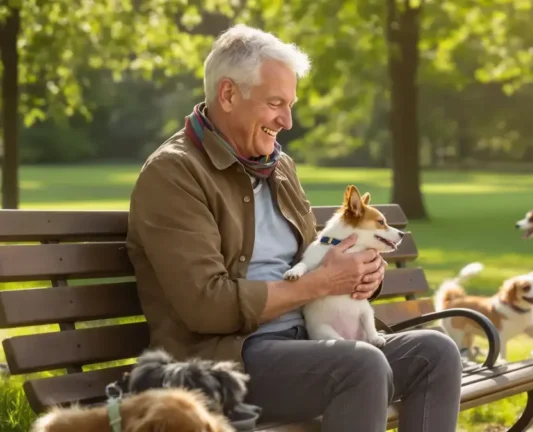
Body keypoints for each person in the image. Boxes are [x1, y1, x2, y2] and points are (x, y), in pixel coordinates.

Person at [125, 24, 463, 431]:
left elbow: (317, 257)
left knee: (436, 352)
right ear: (228, 94)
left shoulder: (278, 167)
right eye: (275, 103)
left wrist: (362, 275)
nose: (286, 120)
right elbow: (205, 305)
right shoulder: (174, 174)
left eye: (290, 105)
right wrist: (321, 282)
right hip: (226, 362)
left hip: (307, 339)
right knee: (361, 365)